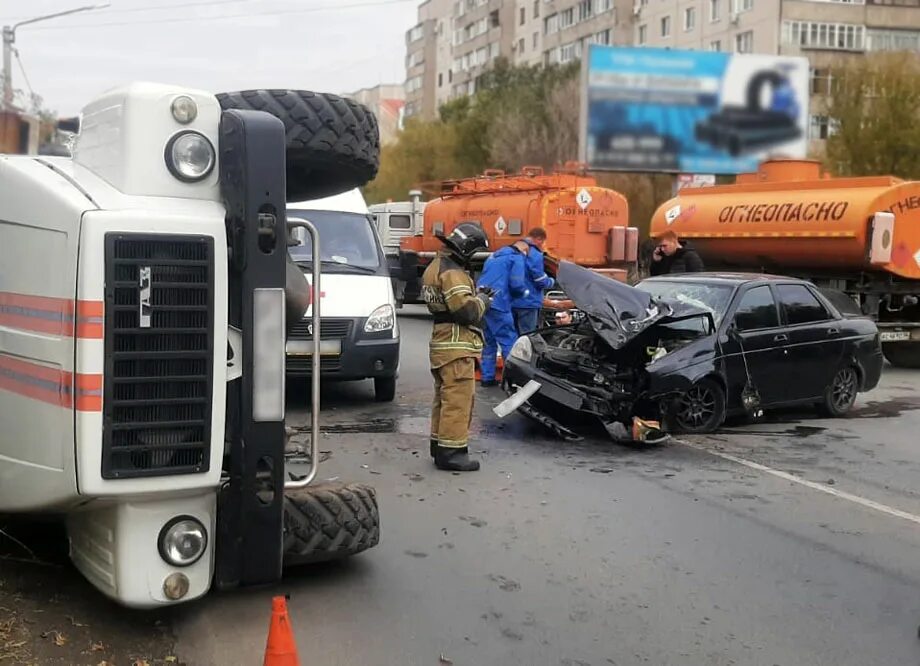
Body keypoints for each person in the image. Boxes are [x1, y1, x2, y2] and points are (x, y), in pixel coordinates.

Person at [421, 223, 493, 472]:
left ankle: (439, 446)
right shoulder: (453, 273)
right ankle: (452, 453)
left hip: (442, 344)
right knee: (457, 400)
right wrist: (483, 300)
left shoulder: (435, 266)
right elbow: (466, 312)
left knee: (443, 399)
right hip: (456, 347)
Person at [476, 239, 529, 388]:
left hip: (483, 301)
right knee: (508, 342)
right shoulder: (516, 258)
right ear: (524, 250)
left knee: (488, 341)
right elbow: (517, 284)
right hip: (499, 303)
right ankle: (512, 380)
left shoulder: (493, 256)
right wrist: (524, 294)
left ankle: (487, 378)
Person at [512, 228, 555, 335]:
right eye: (543, 242)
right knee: (527, 335)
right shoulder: (534, 253)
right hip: (529, 302)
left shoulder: (514, 249)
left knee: (513, 336)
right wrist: (551, 281)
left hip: (513, 300)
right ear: (539, 239)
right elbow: (539, 280)